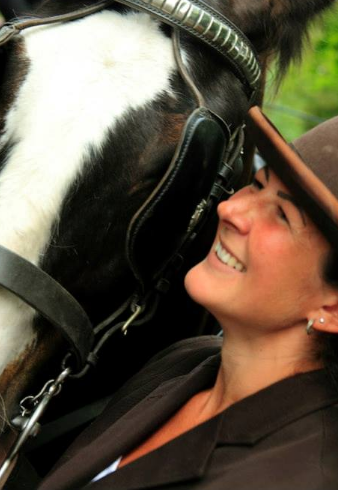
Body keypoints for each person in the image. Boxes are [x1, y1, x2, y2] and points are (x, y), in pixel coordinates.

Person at [34, 107, 338, 490]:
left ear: (332, 307)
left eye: (281, 215)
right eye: (257, 186)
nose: (230, 209)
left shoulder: (299, 477)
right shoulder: (185, 362)